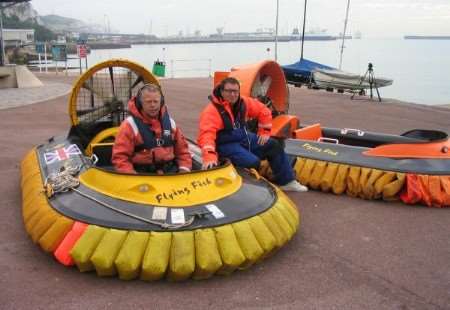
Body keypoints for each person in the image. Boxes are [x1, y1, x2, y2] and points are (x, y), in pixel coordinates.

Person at [197, 77, 307, 192]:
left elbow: (264, 111)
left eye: (236, 91)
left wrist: (264, 132)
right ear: (221, 91)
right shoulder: (211, 112)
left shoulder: (244, 102)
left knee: (273, 145)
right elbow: (206, 136)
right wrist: (209, 157)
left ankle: (287, 181)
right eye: (229, 91)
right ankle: (241, 186)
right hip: (225, 144)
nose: (233, 94)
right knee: (251, 162)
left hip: (243, 138)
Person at [112, 83, 192, 174]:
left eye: (155, 101)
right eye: (148, 102)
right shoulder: (129, 125)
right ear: (140, 103)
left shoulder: (170, 124)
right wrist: (132, 176)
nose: (153, 105)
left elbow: (183, 152)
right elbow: (120, 158)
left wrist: (184, 170)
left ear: (161, 102)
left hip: (170, 173)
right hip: (140, 175)